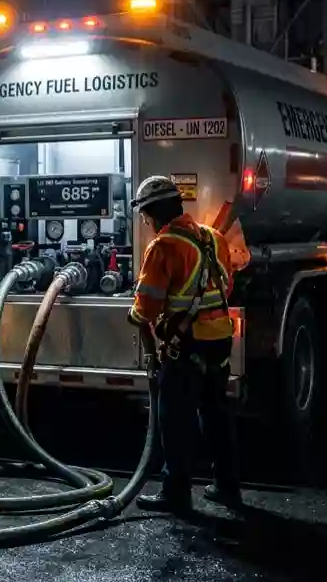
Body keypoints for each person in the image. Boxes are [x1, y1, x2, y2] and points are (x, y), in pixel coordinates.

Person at [126, 176, 242, 512]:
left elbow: (146, 307)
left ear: (152, 214)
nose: (146, 223)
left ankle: (176, 494)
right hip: (219, 340)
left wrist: (134, 313)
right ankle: (226, 486)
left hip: (185, 345)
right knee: (216, 414)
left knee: (175, 420)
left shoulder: (163, 246)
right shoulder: (213, 238)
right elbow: (226, 285)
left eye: (146, 217)